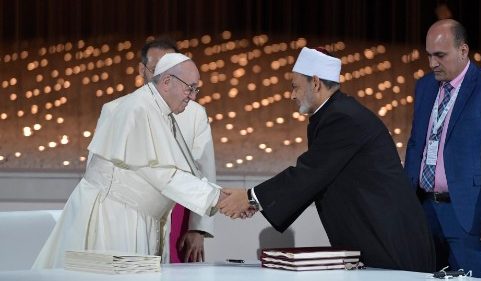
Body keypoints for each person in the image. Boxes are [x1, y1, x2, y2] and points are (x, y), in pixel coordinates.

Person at [218, 47, 435, 272]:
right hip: (375, 237)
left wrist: (252, 198)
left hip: (392, 243)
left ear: (315, 83)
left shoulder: (343, 118)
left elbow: (308, 174)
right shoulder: (332, 114)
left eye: (295, 87)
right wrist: (254, 200)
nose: (291, 95)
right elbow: (315, 177)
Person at [33, 52, 225, 269]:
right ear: (167, 82)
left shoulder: (159, 110)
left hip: (139, 216)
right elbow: (163, 175)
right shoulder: (137, 109)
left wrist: (214, 201)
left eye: (195, 89)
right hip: (114, 218)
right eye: (189, 88)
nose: (192, 96)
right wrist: (220, 199)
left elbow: (191, 169)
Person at [404, 19, 481, 278]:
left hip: (469, 216)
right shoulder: (424, 86)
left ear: (463, 51)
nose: (432, 63)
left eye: (440, 55)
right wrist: (405, 200)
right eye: (429, 56)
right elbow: (415, 145)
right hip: (425, 212)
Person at [138, 37, 216, 263]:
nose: (164, 77)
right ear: (142, 70)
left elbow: (204, 171)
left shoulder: (194, 113)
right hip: (136, 213)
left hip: (177, 214)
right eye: (156, 69)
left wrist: (199, 229)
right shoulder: (128, 108)